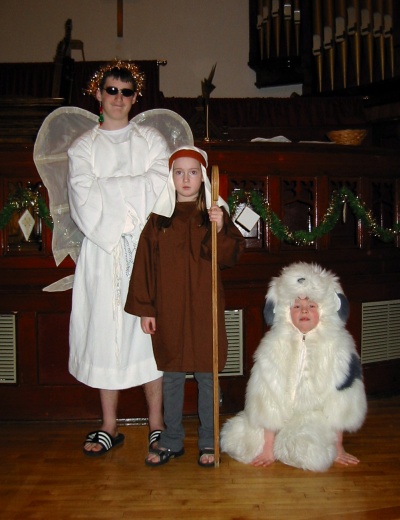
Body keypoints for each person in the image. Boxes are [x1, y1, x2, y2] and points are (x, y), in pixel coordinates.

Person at [67, 61, 170, 457]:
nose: (119, 99)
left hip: (144, 249)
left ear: (134, 98)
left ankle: (157, 424)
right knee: (104, 332)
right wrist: (128, 202)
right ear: (98, 93)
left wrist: (112, 191)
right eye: (111, 91)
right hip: (102, 248)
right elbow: (83, 200)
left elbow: (159, 184)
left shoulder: (151, 142)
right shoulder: (83, 148)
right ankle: (110, 425)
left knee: (147, 334)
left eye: (126, 93)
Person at [124, 145, 245, 467]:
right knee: (173, 375)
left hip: (204, 308)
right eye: (179, 172)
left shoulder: (213, 215)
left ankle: (208, 441)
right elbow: (144, 266)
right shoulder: (159, 220)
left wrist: (219, 228)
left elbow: (228, 258)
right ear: (171, 177)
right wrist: (146, 308)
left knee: (208, 376)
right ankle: (173, 439)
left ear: (203, 177)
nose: (186, 178)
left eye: (193, 172)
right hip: (170, 309)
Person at [220, 262, 368, 472]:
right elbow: (267, 396)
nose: (304, 310)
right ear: (285, 311)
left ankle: (307, 440)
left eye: (312, 306)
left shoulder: (339, 347)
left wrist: (338, 447)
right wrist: (267, 447)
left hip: (313, 415)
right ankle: (275, 441)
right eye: (297, 306)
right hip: (279, 414)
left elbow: (341, 400)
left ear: (325, 311)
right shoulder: (272, 346)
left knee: (310, 454)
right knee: (239, 441)